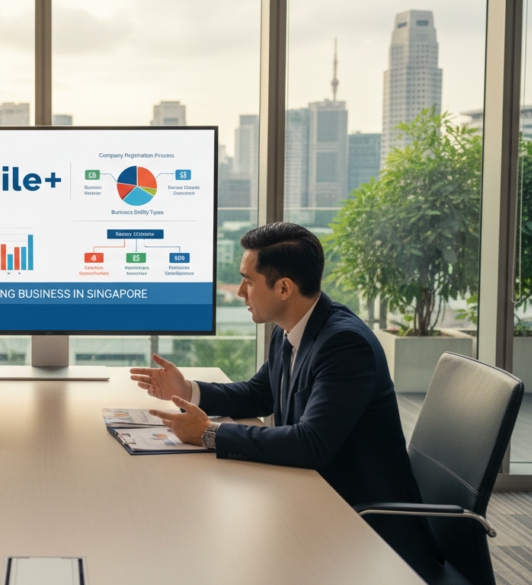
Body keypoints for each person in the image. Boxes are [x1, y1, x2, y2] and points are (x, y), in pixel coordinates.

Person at [130, 222, 443, 579]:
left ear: (283, 288)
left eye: (248, 281)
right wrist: (187, 389)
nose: (240, 293)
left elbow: (311, 443)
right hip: (314, 498)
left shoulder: (344, 345)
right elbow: (260, 393)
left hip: (365, 529)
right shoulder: (290, 329)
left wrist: (208, 433)